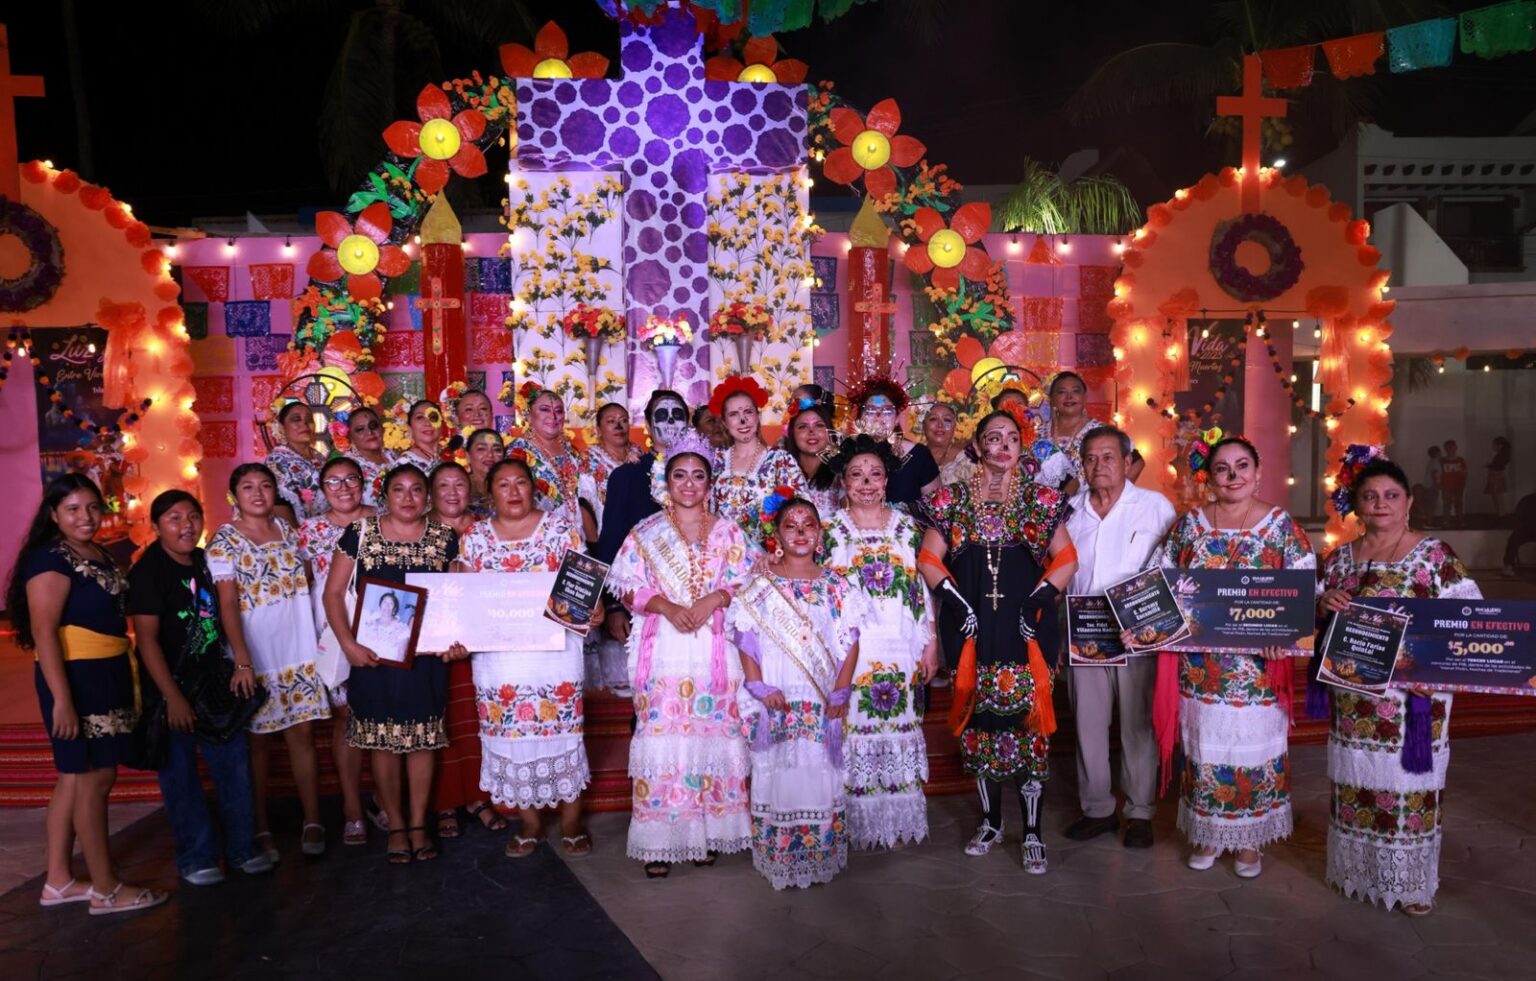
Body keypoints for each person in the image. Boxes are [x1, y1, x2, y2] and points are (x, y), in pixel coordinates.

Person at [1317, 453, 1481, 916]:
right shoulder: (1339, 559)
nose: (1381, 503)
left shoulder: (1435, 556)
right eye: (1370, 496)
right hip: (1353, 697)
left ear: (1408, 503)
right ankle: (1362, 875)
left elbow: (1468, 619)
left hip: (1413, 700)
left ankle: (1409, 884)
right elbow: (1316, 615)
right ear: (1358, 505)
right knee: (1357, 785)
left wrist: (1436, 670)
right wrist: (1324, 602)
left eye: (1391, 496)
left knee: (1408, 789)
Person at [918, 411, 1076, 873]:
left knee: (1029, 729)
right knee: (981, 727)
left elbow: (1067, 558)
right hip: (976, 632)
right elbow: (929, 558)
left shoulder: (1041, 500)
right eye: (993, 437)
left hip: (1026, 631)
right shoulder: (952, 501)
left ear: (1021, 447)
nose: (1003, 445)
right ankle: (990, 823)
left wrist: (1036, 602)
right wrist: (956, 601)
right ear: (978, 447)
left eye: (1012, 438)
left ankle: (1032, 832)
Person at [7, 475, 168, 915]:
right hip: (77, 678)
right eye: (73, 509)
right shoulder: (50, 560)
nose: (85, 517)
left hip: (108, 670)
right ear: (54, 515)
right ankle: (106, 889)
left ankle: (58, 881)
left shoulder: (97, 552)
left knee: (74, 778)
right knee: (94, 779)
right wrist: (61, 699)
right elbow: (44, 632)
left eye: (92, 507)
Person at [1155, 436, 1313, 876]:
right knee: (1205, 748)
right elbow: (1161, 579)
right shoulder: (1189, 526)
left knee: (1250, 750)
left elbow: (1305, 589)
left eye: (1242, 466)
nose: (1233, 476)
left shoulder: (1282, 527)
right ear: (1210, 476)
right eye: (1223, 468)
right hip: (1202, 667)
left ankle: (1247, 842)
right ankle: (1208, 835)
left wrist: (1285, 635)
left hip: (1258, 669)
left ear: (1258, 472)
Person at [610, 429, 755, 878]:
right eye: (680, 475)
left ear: (710, 484)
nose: (689, 484)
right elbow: (626, 584)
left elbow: (746, 581)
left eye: (698, 476)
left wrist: (713, 600)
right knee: (664, 740)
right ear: (665, 482)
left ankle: (704, 835)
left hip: (714, 647)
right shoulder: (645, 532)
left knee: (708, 738)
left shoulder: (730, 531)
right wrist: (668, 607)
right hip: (664, 649)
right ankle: (659, 840)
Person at [324, 464, 465, 864]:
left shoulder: (444, 539)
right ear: (384, 495)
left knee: (422, 740)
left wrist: (454, 641)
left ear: (428, 496)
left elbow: (458, 598)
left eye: (417, 490)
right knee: (382, 743)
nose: (408, 498)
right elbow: (333, 595)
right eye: (398, 490)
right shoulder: (361, 534)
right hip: (373, 658)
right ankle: (397, 825)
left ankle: (419, 824)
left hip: (424, 660)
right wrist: (348, 645)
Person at [129, 491, 273, 884]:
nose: (186, 525)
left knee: (233, 766)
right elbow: (147, 641)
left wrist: (241, 662)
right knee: (180, 776)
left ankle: (242, 849)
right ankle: (197, 857)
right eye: (174, 518)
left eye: (193, 516)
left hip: (213, 681)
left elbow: (226, 613)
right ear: (155, 526)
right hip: (170, 687)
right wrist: (172, 698)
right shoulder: (147, 573)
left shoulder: (207, 563)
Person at [457, 457, 594, 858]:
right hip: (499, 660)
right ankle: (531, 823)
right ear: (490, 491)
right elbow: (466, 600)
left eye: (521, 483)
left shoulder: (560, 530)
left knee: (564, 734)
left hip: (555, 654)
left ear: (534, 488)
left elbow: (581, 592)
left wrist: (593, 609)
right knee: (510, 739)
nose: (513, 491)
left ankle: (571, 821)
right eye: (503, 484)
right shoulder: (475, 537)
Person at [733, 497, 862, 889]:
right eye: (791, 525)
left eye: (809, 525)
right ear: (777, 535)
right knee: (781, 771)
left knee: (817, 769)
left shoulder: (838, 586)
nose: (801, 532)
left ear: (820, 535)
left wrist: (841, 692)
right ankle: (782, 854)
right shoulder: (760, 587)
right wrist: (758, 685)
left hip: (821, 698)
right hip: (779, 697)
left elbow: (850, 642)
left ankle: (818, 853)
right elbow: (745, 638)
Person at [208, 464, 331, 861]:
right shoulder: (224, 543)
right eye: (248, 487)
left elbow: (309, 582)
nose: (258, 494)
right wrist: (242, 660)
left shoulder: (287, 532)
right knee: (258, 746)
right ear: (234, 496)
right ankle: (259, 825)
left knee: (302, 738)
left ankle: (312, 819)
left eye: (265, 486)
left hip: (298, 648)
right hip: (257, 656)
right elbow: (227, 605)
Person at [1061, 427, 1175, 850]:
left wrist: (1153, 626)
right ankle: (1098, 809)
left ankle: (1141, 811)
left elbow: (1172, 569)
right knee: (1089, 726)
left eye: (1108, 457)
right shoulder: (1070, 510)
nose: (1099, 466)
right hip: (1085, 634)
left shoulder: (1154, 506)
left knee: (1137, 725)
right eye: (1090, 458)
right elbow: (1060, 571)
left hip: (1136, 635)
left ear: (1128, 462)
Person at [824, 435, 936, 850]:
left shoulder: (909, 528)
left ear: (887, 479)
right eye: (856, 474)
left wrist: (931, 644)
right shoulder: (829, 530)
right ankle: (854, 823)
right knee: (853, 729)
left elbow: (921, 588)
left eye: (874, 474)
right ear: (843, 482)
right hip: (850, 651)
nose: (866, 482)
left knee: (899, 726)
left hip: (899, 647)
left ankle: (895, 820)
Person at [295, 457, 376, 845]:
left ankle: (383, 798)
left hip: (382, 628)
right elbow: (304, 586)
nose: (343, 488)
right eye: (333, 481)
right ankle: (352, 808)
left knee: (381, 714)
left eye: (351, 480)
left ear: (363, 483)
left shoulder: (384, 519)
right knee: (346, 718)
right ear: (321, 489)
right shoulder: (308, 531)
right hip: (333, 631)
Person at [592, 390, 690, 697]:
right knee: (651, 692)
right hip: (643, 604)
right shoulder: (627, 476)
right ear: (646, 425)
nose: (671, 422)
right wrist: (611, 605)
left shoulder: (703, 472)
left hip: (694, 602)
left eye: (679, 415)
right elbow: (611, 541)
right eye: (662, 415)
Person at [426, 462, 499, 840]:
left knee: (475, 719)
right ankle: (443, 803)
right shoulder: (418, 532)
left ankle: (478, 797)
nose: (453, 492)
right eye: (443, 485)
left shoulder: (486, 530)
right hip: (433, 646)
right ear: (430, 492)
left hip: (481, 640)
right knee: (441, 722)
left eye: (460, 484)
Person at [708, 375, 805, 535]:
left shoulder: (780, 460)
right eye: (733, 414)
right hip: (721, 553)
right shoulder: (715, 461)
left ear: (758, 417)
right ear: (725, 422)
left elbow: (801, 510)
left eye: (748, 412)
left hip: (768, 556)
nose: (743, 420)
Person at [1036, 372, 1143, 495]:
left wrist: (1112, 498)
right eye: (1061, 392)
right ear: (1051, 400)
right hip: (1046, 510)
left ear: (1084, 397)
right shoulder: (1038, 433)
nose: (1069, 397)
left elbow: (1137, 463)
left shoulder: (1101, 432)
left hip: (1087, 510)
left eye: (1076, 391)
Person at [507, 383, 590, 530]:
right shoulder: (517, 452)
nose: (553, 416)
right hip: (540, 534)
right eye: (544, 410)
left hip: (579, 533)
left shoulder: (570, 449)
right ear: (528, 415)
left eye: (559, 411)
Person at [849, 374, 940, 507]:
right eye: (871, 411)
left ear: (897, 418)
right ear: (860, 419)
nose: (878, 418)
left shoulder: (919, 455)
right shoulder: (848, 454)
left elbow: (937, 511)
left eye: (886, 412)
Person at [266, 401, 328, 524]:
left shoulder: (318, 456)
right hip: (301, 533)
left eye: (309, 420)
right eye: (296, 419)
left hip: (328, 529)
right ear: (282, 427)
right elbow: (279, 507)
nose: (304, 424)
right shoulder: (277, 460)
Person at [585, 401, 641, 535]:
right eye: (611, 421)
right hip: (607, 533)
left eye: (624, 420)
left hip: (640, 533)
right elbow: (585, 507)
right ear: (598, 430)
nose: (619, 426)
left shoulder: (638, 452)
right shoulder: (589, 460)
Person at [786, 400, 843, 518]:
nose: (812, 431)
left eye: (819, 425)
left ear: (830, 432)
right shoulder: (781, 473)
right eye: (803, 427)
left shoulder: (842, 474)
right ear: (792, 434)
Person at [344, 407, 393, 509]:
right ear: (350, 437)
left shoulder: (393, 455)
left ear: (381, 428)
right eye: (360, 429)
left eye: (373, 426)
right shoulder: (348, 467)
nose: (369, 432)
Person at [922, 401, 973, 487]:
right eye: (933, 419)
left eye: (947, 420)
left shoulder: (966, 459)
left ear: (954, 427)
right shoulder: (912, 457)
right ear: (923, 425)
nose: (940, 425)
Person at [395, 399, 447, 476]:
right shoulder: (405, 463)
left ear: (441, 425)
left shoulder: (451, 455)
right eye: (420, 417)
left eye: (433, 417)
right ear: (410, 428)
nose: (427, 423)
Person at [465, 428, 506, 520]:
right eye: (481, 449)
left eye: (497, 450)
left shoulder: (512, 485)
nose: (490, 455)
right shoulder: (459, 487)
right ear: (468, 456)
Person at [1502, 492, 1536, 578]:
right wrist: (1518, 527)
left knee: (1513, 539)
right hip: (1525, 530)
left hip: (1525, 529)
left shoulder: (1526, 499)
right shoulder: (1526, 500)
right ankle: (1508, 566)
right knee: (1512, 540)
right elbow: (1518, 515)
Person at [1439, 439, 1466, 525]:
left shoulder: (1460, 460)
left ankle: (1460, 520)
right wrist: (1440, 484)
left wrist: (1463, 483)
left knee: (1458, 503)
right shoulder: (1442, 460)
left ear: (1455, 448)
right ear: (1445, 449)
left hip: (1458, 485)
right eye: (1448, 447)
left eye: (1452, 447)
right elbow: (1439, 473)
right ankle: (1446, 520)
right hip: (1446, 485)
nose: (1450, 449)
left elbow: (1464, 472)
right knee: (1447, 504)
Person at [1416, 445, 1442, 527]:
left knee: (1429, 505)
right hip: (1432, 486)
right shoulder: (1436, 462)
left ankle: (1429, 521)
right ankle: (1429, 522)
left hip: (1429, 486)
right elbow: (1434, 474)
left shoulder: (1431, 461)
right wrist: (1436, 484)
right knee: (1431, 505)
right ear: (1438, 453)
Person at [1486, 436, 1511, 519]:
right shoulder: (1502, 454)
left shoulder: (1501, 455)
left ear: (1499, 445)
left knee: (1498, 497)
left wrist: (1490, 466)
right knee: (1498, 497)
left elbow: (1498, 466)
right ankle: (1500, 514)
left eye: (1494, 444)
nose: (1492, 446)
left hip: (1496, 477)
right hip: (1496, 476)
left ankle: (1501, 515)